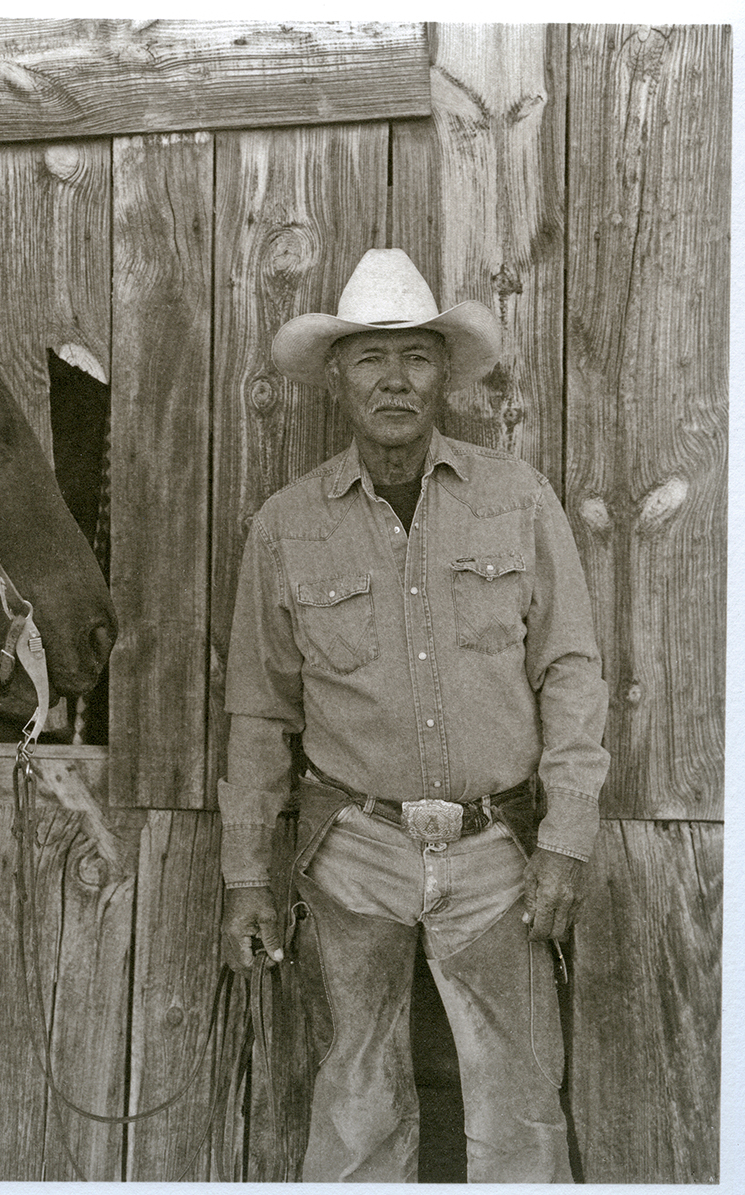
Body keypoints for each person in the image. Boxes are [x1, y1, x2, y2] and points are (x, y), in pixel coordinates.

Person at [217, 249, 609, 1183]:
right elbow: (258, 711)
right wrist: (246, 875)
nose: (394, 378)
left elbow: (570, 667)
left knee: (518, 1101)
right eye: (369, 358)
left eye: (416, 357)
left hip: (496, 855)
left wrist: (569, 835)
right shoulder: (285, 526)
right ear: (338, 379)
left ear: (443, 374)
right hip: (352, 851)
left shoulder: (515, 499)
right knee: (355, 1099)